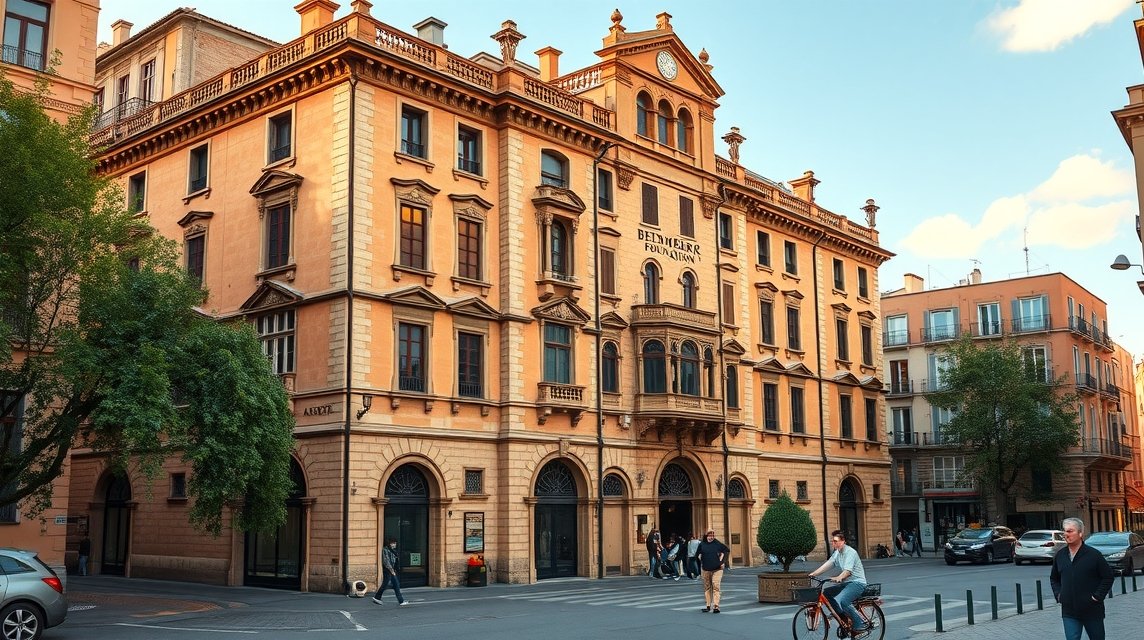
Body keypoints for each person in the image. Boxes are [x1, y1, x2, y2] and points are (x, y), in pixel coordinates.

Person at [1050, 517, 1113, 640]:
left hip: (1092, 610)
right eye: (1064, 531)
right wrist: (1059, 594)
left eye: (1070, 531)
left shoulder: (1093, 555)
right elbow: (1054, 578)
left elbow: (1108, 577)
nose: (1066, 534)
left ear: (1080, 533)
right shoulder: (1060, 555)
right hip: (1069, 611)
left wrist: (1097, 596)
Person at [809, 530, 869, 635]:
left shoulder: (850, 552)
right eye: (832, 541)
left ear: (843, 541)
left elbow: (848, 571)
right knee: (827, 593)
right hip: (847, 583)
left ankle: (859, 623)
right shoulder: (837, 553)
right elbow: (829, 563)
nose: (834, 543)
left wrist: (839, 577)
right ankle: (844, 619)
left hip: (857, 583)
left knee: (844, 601)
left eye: (836, 541)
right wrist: (814, 573)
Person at [696, 529, 730, 613]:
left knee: (716, 586)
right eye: (709, 535)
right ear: (706, 536)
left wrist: (722, 562)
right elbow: (697, 554)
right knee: (707, 587)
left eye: (712, 535)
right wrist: (699, 558)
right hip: (706, 569)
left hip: (717, 569)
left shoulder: (717, 544)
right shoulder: (702, 544)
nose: (711, 537)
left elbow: (726, 550)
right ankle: (708, 606)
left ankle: (716, 606)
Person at [373, 537, 408, 606]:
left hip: (391, 570)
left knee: (394, 585)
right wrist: (392, 571)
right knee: (389, 584)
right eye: (393, 543)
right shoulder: (385, 550)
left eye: (395, 543)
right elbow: (386, 561)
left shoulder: (393, 550)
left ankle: (377, 597)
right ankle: (401, 601)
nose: (395, 544)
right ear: (390, 543)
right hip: (388, 570)